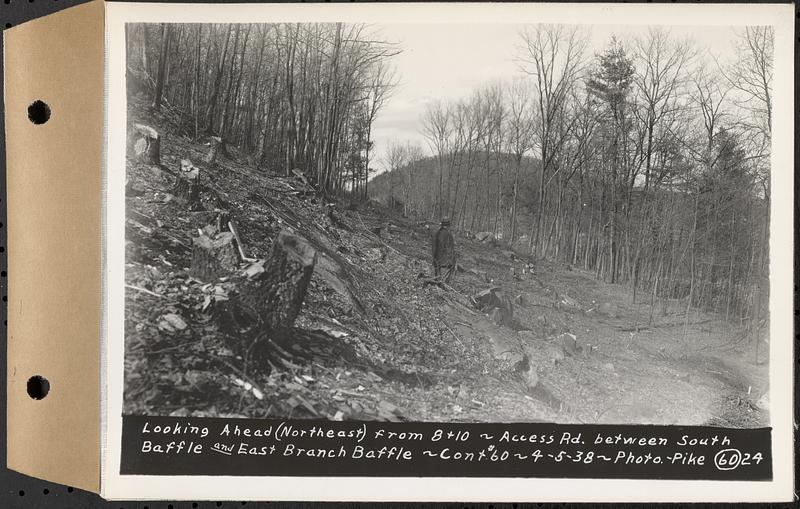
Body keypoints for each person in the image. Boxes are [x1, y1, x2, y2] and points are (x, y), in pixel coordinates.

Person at [432, 217, 456, 282]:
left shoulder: (437, 233)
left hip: (437, 259)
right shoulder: (448, 234)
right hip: (445, 261)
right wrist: (451, 260)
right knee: (443, 279)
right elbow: (450, 248)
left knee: (437, 276)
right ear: (448, 225)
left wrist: (434, 258)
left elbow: (434, 247)